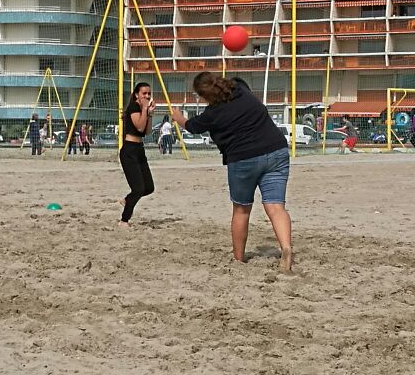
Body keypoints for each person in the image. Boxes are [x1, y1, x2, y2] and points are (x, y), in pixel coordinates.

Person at [170, 72, 292, 270]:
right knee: (276, 206)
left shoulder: (212, 114)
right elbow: (237, 82)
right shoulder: (239, 87)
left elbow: (192, 126)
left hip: (243, 157)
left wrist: (178, 118)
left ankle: (238, 259)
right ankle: (286, 248)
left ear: (204, 96)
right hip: (276, 149)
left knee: (241, 209)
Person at [118, 82, 156, 226]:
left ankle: (127, 200)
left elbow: (147, 131)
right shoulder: (134, 107)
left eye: (149, 93)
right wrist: (145, 109)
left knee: (149, 187)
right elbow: (139, 127)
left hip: (139, 149)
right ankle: (124, 220)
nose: (147, 96)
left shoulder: (143, 109)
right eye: (144, 93)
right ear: (136, 95)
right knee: (138, 189)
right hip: (129, 150)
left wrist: (150, 114)